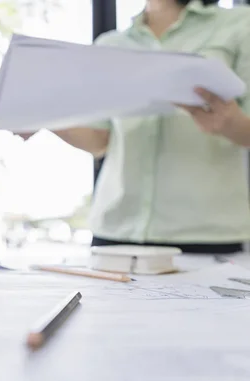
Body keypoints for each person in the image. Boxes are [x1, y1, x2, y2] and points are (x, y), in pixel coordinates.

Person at [22, 0, 250, 254]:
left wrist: (230, 123)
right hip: (115, 231)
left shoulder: (239, 24)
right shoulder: (110, 45)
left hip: (206, 233)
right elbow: (100, 140)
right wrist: (44, 115)